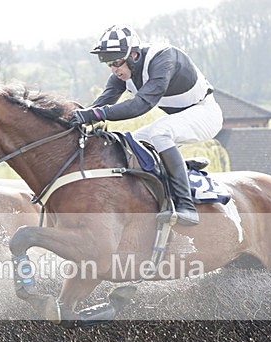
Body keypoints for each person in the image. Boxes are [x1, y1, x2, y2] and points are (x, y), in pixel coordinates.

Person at [69, 25, 223, 226]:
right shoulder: (121, 73)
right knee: (133, 143)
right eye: (109, 64)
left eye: (117, 62)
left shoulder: (164, 58)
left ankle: (187, 207)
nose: (114, 69)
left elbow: (141, 105)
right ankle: (172, 177)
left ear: (134, 54)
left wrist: (95, 114)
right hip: (182, 117)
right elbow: (102, 104)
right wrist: (75, 119)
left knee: (160, 133)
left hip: (205, 113)